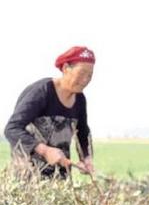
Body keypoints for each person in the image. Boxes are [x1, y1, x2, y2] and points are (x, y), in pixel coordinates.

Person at [5, 46, 95, 179]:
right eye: (81, 73)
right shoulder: (42, 92)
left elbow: (82, 133)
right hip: (28, 177)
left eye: (90, 75)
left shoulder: (79, 99)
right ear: (65, 68)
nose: (85, 80)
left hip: (59, 176)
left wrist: (86, 158)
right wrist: (45, 151)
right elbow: (12, 129)